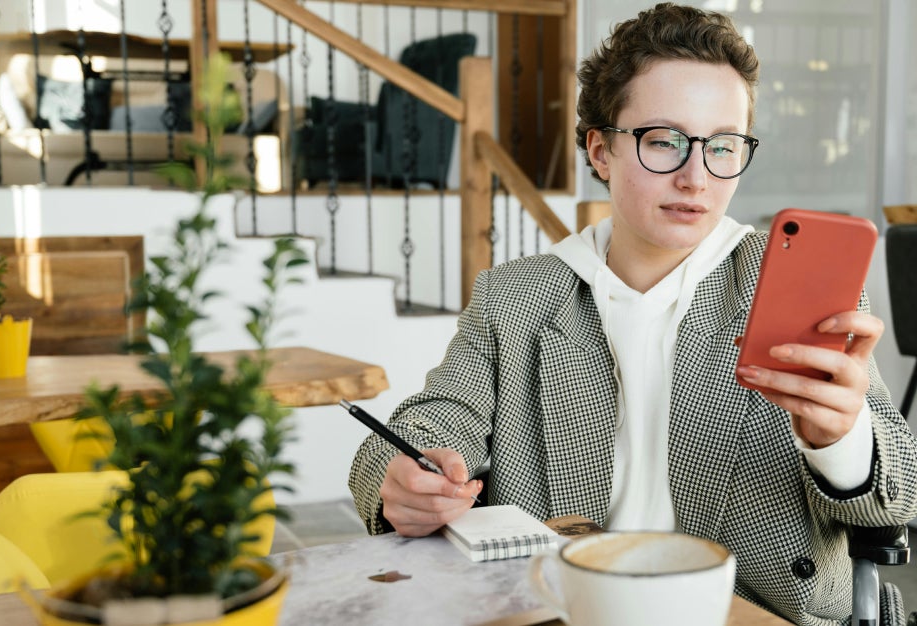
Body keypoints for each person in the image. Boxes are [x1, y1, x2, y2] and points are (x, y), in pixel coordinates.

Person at [348, 3, 917, 624]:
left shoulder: (791, 286)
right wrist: (401, 479)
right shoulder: (514, 298)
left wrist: (841, 439)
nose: (697, 177)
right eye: (664, 141)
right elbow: (432, 424)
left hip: (752, 610)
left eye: (723, 146)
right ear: (600, 152)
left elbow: (897, 500)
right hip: (569, 604)